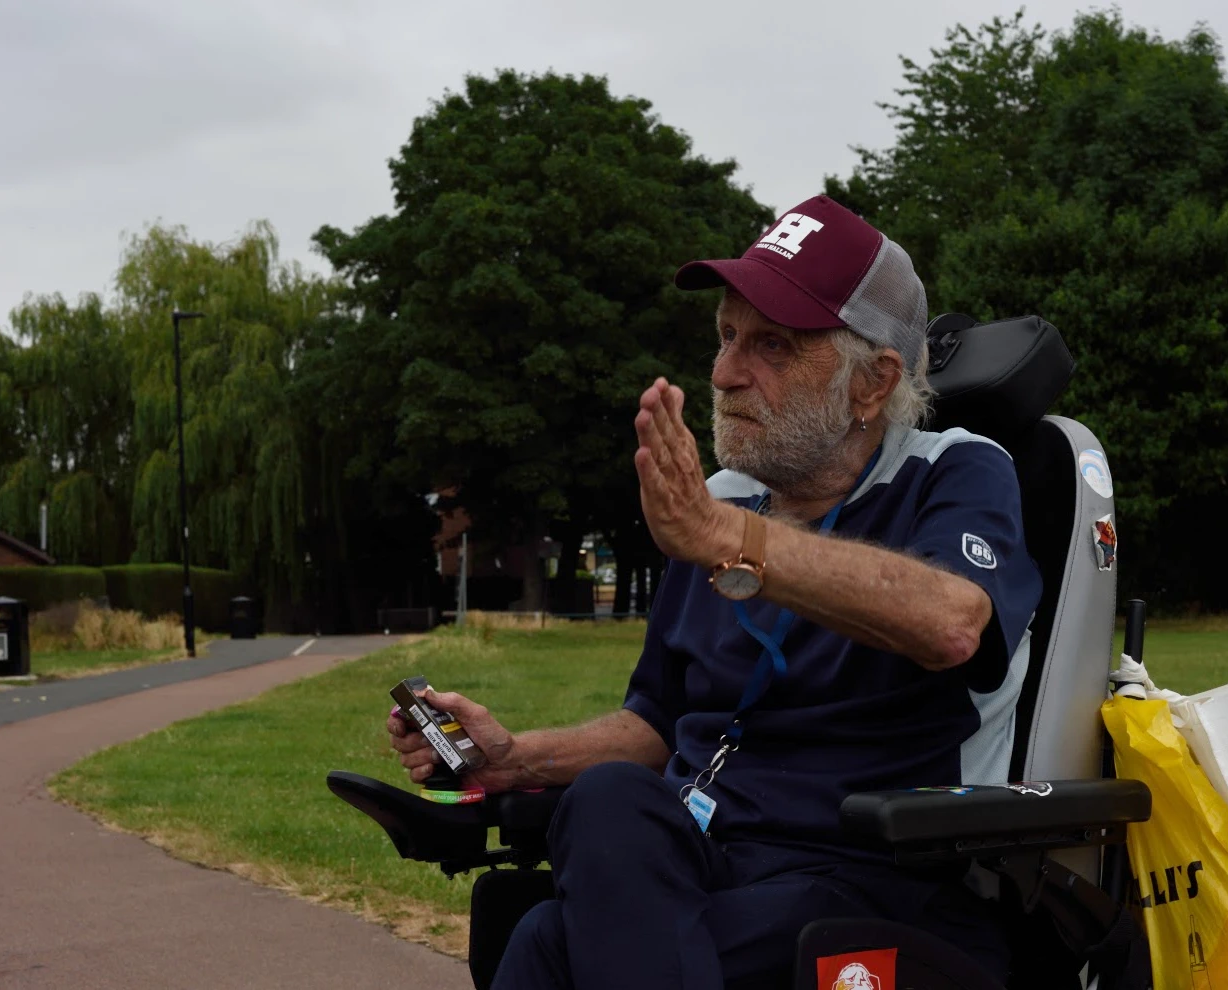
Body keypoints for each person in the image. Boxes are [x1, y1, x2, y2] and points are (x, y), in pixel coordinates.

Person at [387, 195, 1042, 989]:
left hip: (865, 871)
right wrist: (513, 760)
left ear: (873, 383)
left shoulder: (954, 471)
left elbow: (952, 623)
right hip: (702, 862)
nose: (727, 374)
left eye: (772, 345)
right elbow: (655, 725)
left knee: (546, 944)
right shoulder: (724, 501)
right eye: (728, 336)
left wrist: (725, 539)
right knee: (609, 800)